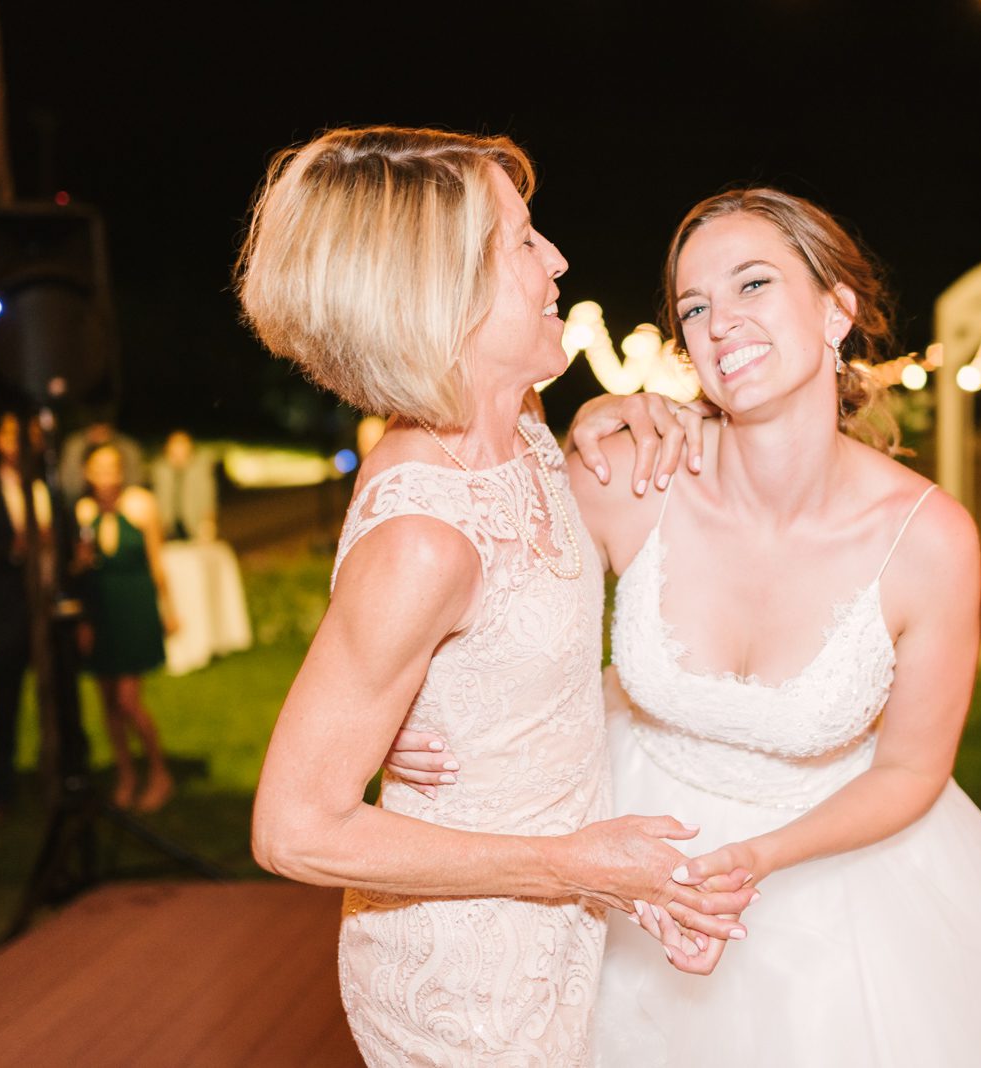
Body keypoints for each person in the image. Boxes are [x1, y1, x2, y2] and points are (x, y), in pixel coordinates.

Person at [389, 187, 981, 1064]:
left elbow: (913, 770)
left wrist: (757, 859)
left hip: (846, 885)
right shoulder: (628, 478)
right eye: (694, 307)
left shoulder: (928, 540)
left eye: (753, 285)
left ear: (835, 310)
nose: (720, 322)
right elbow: (472, 593)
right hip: (622, 849)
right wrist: (413, 713)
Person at [235, 125, 750, 1067]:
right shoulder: (423, 542)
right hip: (464, 984)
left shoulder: (517, 422)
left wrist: (600, 417)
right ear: (441, 291)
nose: (556, 259)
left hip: (554, 935)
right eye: (521, 240)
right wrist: (570, 866)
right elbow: (291, 827)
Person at [0, 412, 90, 829]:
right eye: (11, 435)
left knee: (66, 703)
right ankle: (0, 794)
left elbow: (70, 550)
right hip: (8, 616)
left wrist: (70, 558)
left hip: (55, 616)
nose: (19, 444)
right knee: (4, 707)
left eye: (26, 436)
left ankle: (72, 783)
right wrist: (12, 548)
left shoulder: (53, 490)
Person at [75, 444, 175, 812]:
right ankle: (126, 775)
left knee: (128, 701)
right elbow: (77, 573)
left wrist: (168, 610)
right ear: (88, 474)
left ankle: (160, 772)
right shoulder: (83, 512)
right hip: (101, 612)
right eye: (99, 469)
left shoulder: (141, 505)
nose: (107, 476)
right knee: (108, 703)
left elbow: (156, 562)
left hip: (134, 609)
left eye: (112, 467)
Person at [151, 429, 218, 541]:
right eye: (175, 445)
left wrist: (208, 522)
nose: (179, 450)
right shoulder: (160, 470)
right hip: (167, 526)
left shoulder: (200, 469)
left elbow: (208, 497)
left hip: (193, 524)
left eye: (182, 445)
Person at [60, 418, 144, 499]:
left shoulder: (135, 503)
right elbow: (70, 488)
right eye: (99, 471)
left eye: (110, 471)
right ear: (86, 473)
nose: (105, 480)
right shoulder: (85, 507)